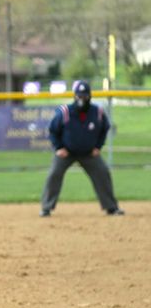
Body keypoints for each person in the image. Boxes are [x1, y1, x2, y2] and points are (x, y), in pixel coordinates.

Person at [40, 81, 124, 217]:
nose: (81, 99)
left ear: (90, 97)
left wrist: (98, 146)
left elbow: (105, 128)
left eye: (84, 96)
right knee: (54, 173)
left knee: (102, 173)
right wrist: (59, 147)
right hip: (66, 152)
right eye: (79, 96)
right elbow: (52, 130)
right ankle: (46, 207)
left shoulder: (97, 112)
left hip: (88, 153)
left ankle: (111, 207)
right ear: (75, 96)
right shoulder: (65, 112)